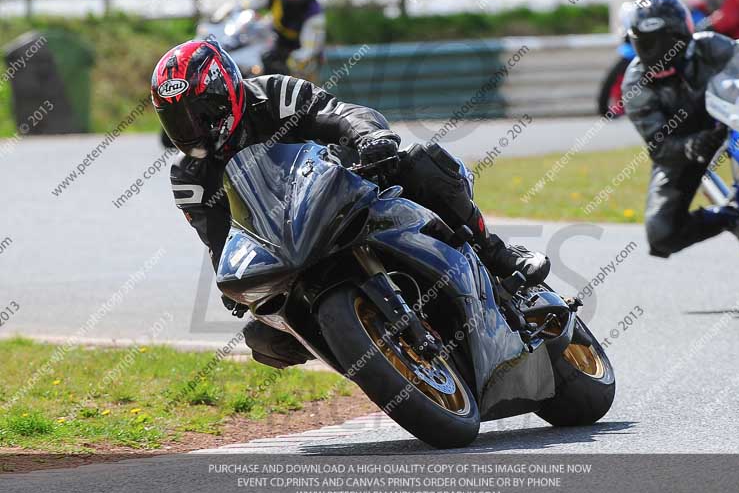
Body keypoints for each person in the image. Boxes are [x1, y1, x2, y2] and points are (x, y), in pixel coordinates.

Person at [151, 38, 550, 368]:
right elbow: (220, 241)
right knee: (263, 340)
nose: (194, 129)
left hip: (348, 190)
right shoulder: (188, 178)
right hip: (290, 248)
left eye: (201, 113)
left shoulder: (274, 95)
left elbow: (338, 113)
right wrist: (235, 286)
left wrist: (369, 138)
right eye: (179, 121)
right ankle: (373, 357)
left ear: (227, 91)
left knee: (420, 163)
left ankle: (495, 253)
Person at [623, 0, 739, 258]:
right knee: (661, 234)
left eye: (664, 41)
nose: (657, 51)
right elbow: (659, 146)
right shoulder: (635, 84)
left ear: (682, 34)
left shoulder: (709, 47)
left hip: (737, 125)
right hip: (683, 146)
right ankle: (728, 216)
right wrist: (691, 145)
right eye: (648, 43)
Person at [258, 0, 325, 79]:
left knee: (300, 75)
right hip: (277, 47)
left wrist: (293, 60)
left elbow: (310, 48)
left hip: (302, 53)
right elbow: (246, 5)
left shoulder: (313, 9)